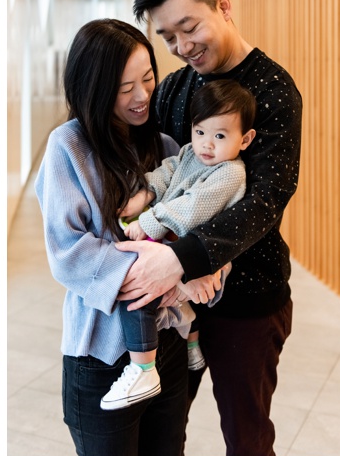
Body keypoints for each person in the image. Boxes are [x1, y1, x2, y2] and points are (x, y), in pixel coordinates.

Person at [127, 0, 302, 456]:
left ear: (223, 5)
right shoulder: (177, 88)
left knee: (246, 440)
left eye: (189, 27)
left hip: (247, 297)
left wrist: (181, 257)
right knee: (158, 432)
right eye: (168, 38)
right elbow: (158, 169)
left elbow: (266, 200)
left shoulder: (272, 90)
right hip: (175, 298)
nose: (182, 47)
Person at [35, 18, 223, 456]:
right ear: (94, 89)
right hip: (101, 355)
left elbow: (201, 220)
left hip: (170, 347)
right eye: (124, 88)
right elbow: (69, 253)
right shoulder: (68, 146)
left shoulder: (166, 146)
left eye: (148, 79)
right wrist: (173, 272)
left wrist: (197, 267)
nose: (142, 97)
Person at [103, 79, 256, 411]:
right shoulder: (189, 153)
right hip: (175, 242)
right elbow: (166, 172)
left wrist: (147, 221)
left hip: (195, 252)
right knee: (172, 299)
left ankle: (143, 368)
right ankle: (191, 342)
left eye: (220, 136)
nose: (207, 145)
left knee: (137, 291)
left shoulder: (231, 173)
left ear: (245, 139)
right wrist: (144, 194)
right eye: (200, 132)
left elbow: (192, 208)